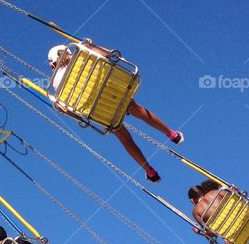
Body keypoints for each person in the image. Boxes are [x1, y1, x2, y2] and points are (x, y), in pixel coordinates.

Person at [47, 43, 183, 183]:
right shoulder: (83, 53)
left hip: (100, 111)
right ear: (68, 52)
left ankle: (150, 171)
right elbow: (109, 55)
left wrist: (67, 110)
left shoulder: (57, 85)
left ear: (53, 65)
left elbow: (68, 110)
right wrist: (90, 45)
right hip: (115, 94)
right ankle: (172, 134)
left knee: (124, 137)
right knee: (140, 111)